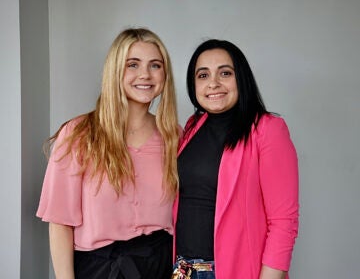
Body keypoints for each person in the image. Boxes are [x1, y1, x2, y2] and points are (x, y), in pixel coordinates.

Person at [36, 27, 179, 279]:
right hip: (98, 270)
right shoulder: (79, 134)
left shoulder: (174, 136)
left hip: (161, 268)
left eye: (155, 65)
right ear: (115, 71)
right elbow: (59, 223)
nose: (145, 74)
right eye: (132, 64)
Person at [172, 39, 299, 279]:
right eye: (203, 75)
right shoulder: (192, 127)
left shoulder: (268, 130)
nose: (213, 83)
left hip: (231, 272)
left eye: (225, 73)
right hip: (182, 270)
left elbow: (284, 222)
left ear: (241, 78)